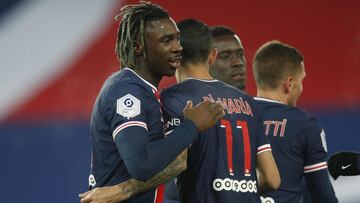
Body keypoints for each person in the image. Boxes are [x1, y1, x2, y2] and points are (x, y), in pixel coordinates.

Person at [80, 18, 280, 203]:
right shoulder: (247, 102)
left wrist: (121, 190)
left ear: (178, 54)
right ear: (212, 56)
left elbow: (177, 164)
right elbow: (272, 179)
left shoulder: (174, 98)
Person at [79, 2, 224, 203]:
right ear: (138, 47)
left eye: (177, 39)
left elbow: (170, 163)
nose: (178, 48)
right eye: (166, 41)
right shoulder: (127, 92)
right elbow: (141, 164)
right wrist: (191, 126)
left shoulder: (145, 92)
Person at [252, 40, 338, 202]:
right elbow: (321, 195)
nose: (301, 88)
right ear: (289, 84)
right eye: (301, 81)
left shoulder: (232, 114)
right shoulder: (305, 125)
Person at [209, 26, 247, 91]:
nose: (238, 63)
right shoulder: (189, 100)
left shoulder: (257, 101)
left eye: (240, 54)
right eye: (225, 56)